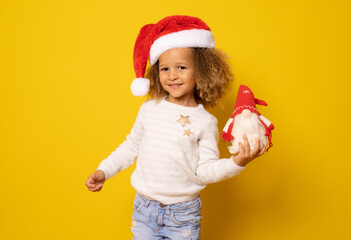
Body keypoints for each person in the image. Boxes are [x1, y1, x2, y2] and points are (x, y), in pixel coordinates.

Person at [85, 15, 266, 240]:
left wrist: (238, 162)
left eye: (181, 67)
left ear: (201, 71)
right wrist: (104, 170)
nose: (172, 76)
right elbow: (131, 147)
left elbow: (205, 170)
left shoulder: (205, 122)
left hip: (183, 215)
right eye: (164, 69)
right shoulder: (149, 110)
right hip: (144, 210)